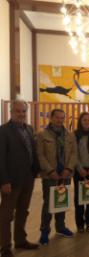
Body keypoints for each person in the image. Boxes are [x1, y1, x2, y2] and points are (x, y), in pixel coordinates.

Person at [0, 100, 39, 257]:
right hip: (11, 181)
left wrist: (36, 172)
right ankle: (5, 247)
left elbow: (32, 152)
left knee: (23, 211)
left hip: (28, 178)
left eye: (24, 111)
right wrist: (3, 181)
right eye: (18, 111)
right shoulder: (3, 131)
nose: (21, 114)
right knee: (6, 215)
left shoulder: (29, 129)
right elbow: (1, 158)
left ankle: (20, 240)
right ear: (11, 112)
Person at [37, 109, 77, 245]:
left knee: (61, 200)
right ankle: (44, 231)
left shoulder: (70, 135)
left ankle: (60, 227)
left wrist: (68, 169)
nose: (60, 120)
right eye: (57, 118)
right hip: (50, 176)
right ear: (51, 118)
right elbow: (40, 155)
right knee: (48, 203)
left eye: (62, 118)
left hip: (65, 174)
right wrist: (50, 171)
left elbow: (74, 154)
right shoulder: (42, 135)